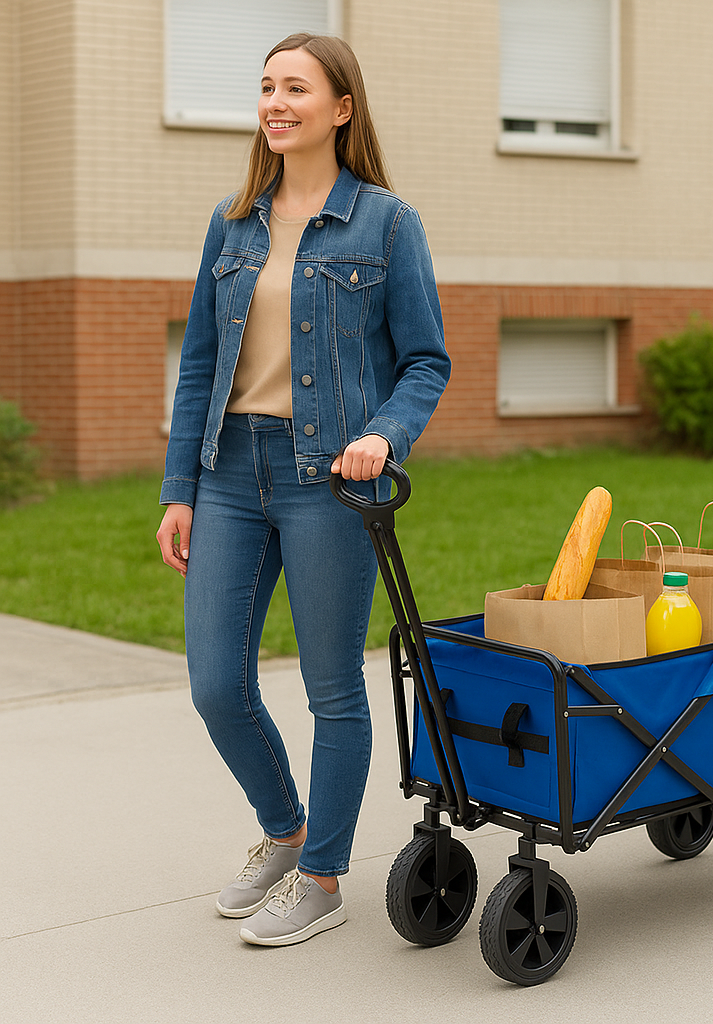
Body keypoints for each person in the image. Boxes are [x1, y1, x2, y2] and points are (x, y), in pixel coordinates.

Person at [156, 33, 449, 947]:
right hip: (230, 472)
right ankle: (285, 831)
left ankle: (323, 875)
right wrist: (179, 488)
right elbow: (200, 363)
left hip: (331, 477)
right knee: (214, 683)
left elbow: (426, 362)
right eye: (266, 88)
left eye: (296, 88)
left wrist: (381, 435)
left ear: (341, 108)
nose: (275, 103)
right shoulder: (234, 219)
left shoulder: (386, 224)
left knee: (332, 689)